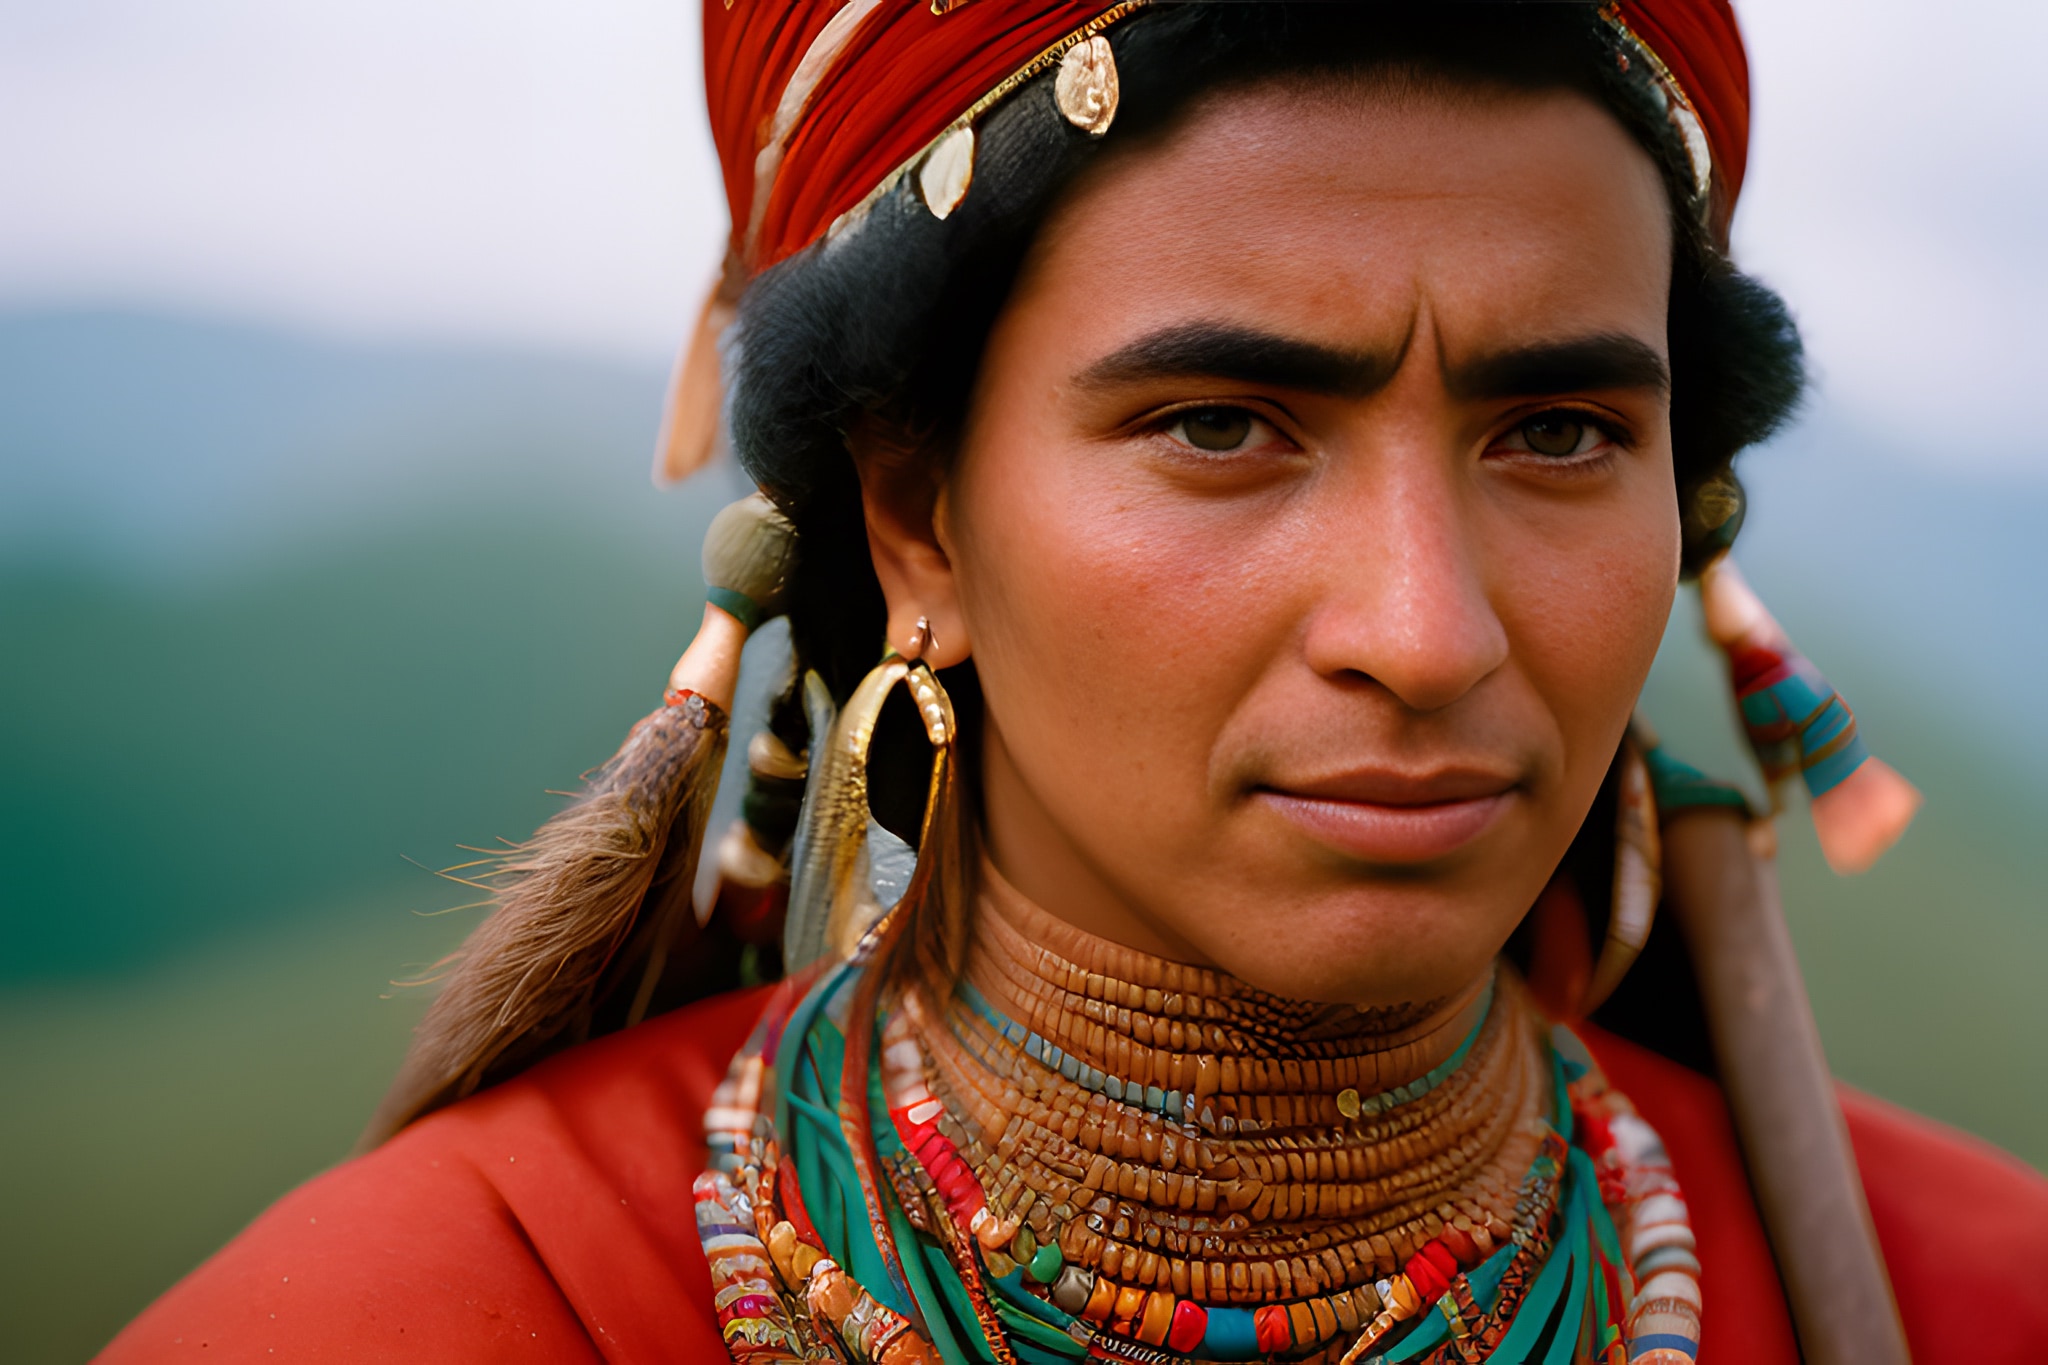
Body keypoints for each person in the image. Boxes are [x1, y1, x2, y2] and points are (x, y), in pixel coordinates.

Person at [102, 4, 2048, 1363]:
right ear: (916, 514)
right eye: (1223, 422)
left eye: (1554, 433)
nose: (1431, 627)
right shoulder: (440, 1315)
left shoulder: (1970, 1301)